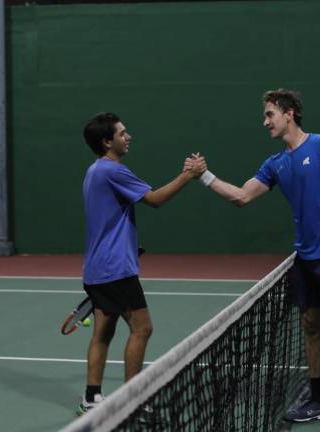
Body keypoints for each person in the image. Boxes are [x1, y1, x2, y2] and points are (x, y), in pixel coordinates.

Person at [192, 89, 320, 432]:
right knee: (310, 328)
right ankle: (318, 400)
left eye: (269, 114)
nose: (264, 121)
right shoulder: (276, 164)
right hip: (304, 260)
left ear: (289, 113)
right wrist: (204, 176)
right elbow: (241, 196)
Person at [77, 112, 206, 416]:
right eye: (122, 133)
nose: (128, 136)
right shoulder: (113, 171)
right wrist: (190, 175)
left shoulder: (93, 171)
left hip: (96, 269)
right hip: (115, 270)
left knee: (103, 332)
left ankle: (91, 397)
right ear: (108, 142)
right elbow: (155, 199)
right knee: (142, 328)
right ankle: (132, 401)